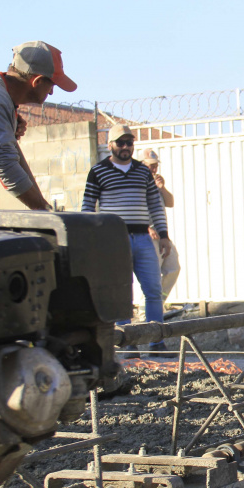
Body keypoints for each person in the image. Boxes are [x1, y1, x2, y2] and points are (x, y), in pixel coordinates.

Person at [82, 124, 173, 356]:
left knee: (153, 290)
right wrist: (90, 239)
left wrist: (164, 235)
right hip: (114, 239)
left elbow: (155, 204)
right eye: (120, 143)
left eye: (129, 143)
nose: (125, 147)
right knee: (122, 293)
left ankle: (156, 343)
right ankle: (127, 344)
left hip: (143, 238)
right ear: (110, 145)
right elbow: (87, 208)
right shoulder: (98, 171)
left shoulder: (142, 172)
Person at [0, 41, 77, 210]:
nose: (51, 92)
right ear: (36, 82)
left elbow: (12, 155)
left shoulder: (1, 95)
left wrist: (44, 207)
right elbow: (5, 166)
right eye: (52, 85)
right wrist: (44, 212)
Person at [139, 148, 181, 304]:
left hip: (161, 234)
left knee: (173, 268)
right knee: (153, 274)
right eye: (150, 165)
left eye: (155, 165)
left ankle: (158, 303)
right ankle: (146, 310)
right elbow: (133, 210)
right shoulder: (138, 183)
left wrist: (162, 188)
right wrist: (145, 228)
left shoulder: (156, 183)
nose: (154, 169)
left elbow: (170, 202)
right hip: (148, 235)